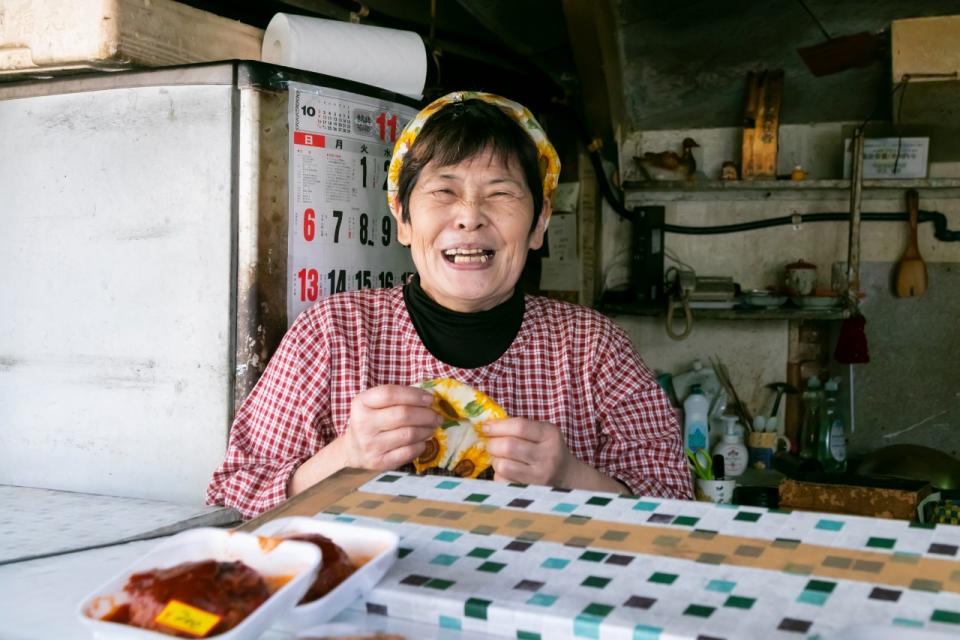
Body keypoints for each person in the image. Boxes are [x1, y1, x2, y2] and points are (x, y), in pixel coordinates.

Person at [207, 91, 692, 519]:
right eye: (444, 191)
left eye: (500, 193)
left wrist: (569, 476)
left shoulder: (592, 346)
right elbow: (231, 502)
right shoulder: (335, 332)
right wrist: (347, 455)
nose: (469, 218)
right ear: (402, 217)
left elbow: (677, 509)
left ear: (540, 222)